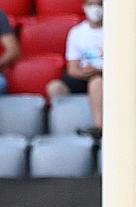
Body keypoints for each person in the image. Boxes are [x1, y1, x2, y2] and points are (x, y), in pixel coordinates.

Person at [47, 0, 105, 139]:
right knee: (54, 87)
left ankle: (100, 127)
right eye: (91, 4)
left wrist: (99, 71)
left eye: (99, 4)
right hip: (83, 75)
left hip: (106, 76)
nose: (95, 8)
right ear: (84, 7)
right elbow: (72, 68)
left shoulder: (115, 31)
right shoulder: (77, 32)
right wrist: (84, 72)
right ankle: (61, 131)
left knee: (96, 83)